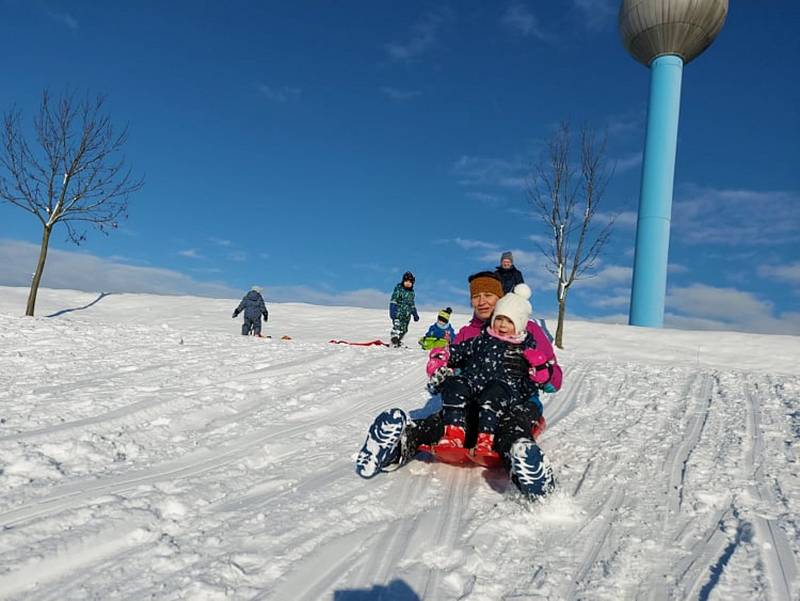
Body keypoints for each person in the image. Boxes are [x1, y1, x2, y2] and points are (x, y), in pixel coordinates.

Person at [357, 271, 562, 498]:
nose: (481, 301)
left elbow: (554, 378)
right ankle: (397, 448)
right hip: (474, 399)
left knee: (510, 429)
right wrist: (442, 373)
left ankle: (525, 466)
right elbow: (453, 366)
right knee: (441, 422)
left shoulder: (527, 330)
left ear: (501, 297)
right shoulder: (468, 334)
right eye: (476, 296)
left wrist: (539, 371)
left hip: (516, 400)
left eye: (488, 295)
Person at [425, 284, 553, 467]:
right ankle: (450, 434)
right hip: (475, 393)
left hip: (506, 399)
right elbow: (460, 350)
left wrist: (539, 368)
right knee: (455, 385)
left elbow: (545, 379)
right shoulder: (481, 339)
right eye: (499, 319)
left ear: (520, 325)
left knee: (496, 397)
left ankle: (519, 458)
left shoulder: (525, 348)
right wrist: (443, 355)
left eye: (510, 321)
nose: (502, 325)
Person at [389, 271, 419, 347]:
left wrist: (415, 314)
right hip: (398, 313)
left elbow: (412, 304)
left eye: (410, 282)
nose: (408, 283)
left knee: (404, 329)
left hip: (407, 315)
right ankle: (394, 339)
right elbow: (393, 300)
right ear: (403, 281)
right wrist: (393, 311)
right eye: (406, 281)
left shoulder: (412, 293)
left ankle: (398, 341)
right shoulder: (399, 289)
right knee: (397, 326)